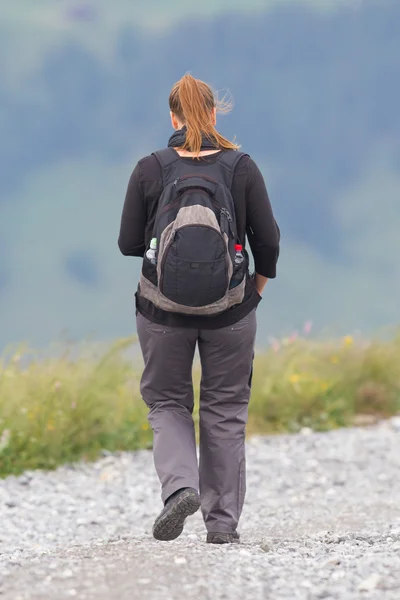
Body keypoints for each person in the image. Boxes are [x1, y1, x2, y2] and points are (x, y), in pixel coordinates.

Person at [118, 74, 280, 544]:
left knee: (168, 402)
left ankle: (180, 489)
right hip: (232, 311)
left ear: (173, 117)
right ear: (213, 114)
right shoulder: (241, 166)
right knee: (224, 408)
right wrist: (254, 291)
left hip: (161, 312)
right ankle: (222, 527)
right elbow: (267, 241)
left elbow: (129, 243)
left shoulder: (150, 168)